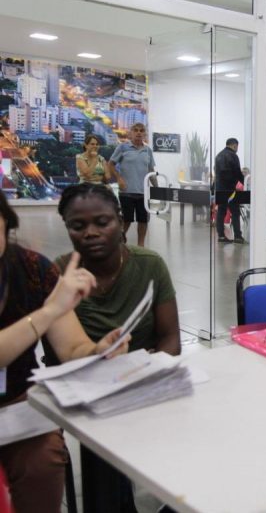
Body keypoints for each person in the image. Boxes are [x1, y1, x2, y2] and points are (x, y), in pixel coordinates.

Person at [51, 182, 180, 513]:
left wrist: (143, 375)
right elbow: (59, 354)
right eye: (78, 226)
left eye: (102, 222)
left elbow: (171, 340)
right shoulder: (59, 274)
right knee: (105, 439)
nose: (91, 233)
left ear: (121, 222)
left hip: (145, 379)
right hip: (87, 388)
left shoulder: (149, 265)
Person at [0, 190, 129, 513]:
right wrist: (46, 312)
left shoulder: (32, 269)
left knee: (44, 460)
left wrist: (99, 350)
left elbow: (71, 346)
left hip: (17, 407)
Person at [107, 123, 156, 247]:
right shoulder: (123, 147)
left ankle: (141, 246)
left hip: (144, 193)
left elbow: (151, 170)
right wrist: (118, 178)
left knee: (143, 221)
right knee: (127, 220)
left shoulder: (148, 150)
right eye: (136, 130)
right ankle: (118, 244)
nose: (139, 133)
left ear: (144, 134)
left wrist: (157, 187)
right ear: (131, 133)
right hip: (126, 191)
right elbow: (110, 164)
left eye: (141, 131)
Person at [214, 137, 246, 245]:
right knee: (235, 212)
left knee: (221, 211)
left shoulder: (218, 155)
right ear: (234, 145)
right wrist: (245, 182)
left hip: (219, 188)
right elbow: (237, 173)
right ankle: (238, 236)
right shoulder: (233, 155)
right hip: (230, 189)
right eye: (237, 147)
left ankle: (221, 236)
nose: (237, 149)